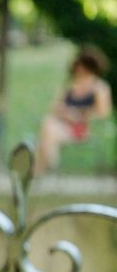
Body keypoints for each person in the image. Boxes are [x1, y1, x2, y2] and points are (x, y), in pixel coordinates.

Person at [34, 45, 112, 176]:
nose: (78, 70)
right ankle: (46, 164)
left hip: (83, 129)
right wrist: (66, 114)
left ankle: (43, 167)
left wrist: (79, 115)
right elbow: (56, 107)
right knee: (49, 124)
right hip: (63, 125)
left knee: (48, 129)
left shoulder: (99, 88)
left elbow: (102, 113)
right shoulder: (70, 87)